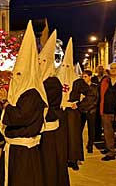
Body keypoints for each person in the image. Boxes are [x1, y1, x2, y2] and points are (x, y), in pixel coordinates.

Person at [0, 21, 48, 186]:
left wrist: (5, 102)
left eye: (19, 74)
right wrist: (2, 102)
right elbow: (9, 113)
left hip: (24, 152)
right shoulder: (22, 91)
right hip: (15, 149)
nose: (16, 78)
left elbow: (19, 117)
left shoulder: (32, 94)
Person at [39, 30, 70, 186]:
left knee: (50, 162)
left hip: (49, 129)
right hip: (47, 127)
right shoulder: (46, 81)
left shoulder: (50, 83)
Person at [57, 38, 85, 171]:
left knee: (73, 136)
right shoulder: (56, 80)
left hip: (73, 113)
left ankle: (73, 159)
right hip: (60, 111)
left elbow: (91, 94)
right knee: (61, 137)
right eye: (64, 66)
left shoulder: (78, 81)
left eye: (68, 66)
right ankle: (62, 158)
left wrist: (79, 105)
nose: (66, 69)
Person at [77, 70, 99, 153]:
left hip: (91, 111)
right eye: (83, 77)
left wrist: (91, 108)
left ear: (90, 77)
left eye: (85, 76)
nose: (84, 78)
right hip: (82, 110)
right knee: (79, 129)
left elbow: (96, 99)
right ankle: (79, 145)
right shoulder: (80, 87)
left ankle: (90, 145)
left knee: (91, 129)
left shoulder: (95, 87)